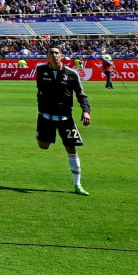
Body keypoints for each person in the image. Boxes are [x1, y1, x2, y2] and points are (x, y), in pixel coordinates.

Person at [35, 46, 93, 195]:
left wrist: (86, 111)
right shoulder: (41, 71)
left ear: (61, 55)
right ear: (47, 55)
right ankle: (44, 135)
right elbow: (40, 90)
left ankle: (77, 184)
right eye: (51, 53)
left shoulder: (72, 74)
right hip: (45, 117)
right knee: (43, 146)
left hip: (65, 118)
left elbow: (81, 94)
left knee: (71, 149)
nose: (54, 55)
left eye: (56, 53)